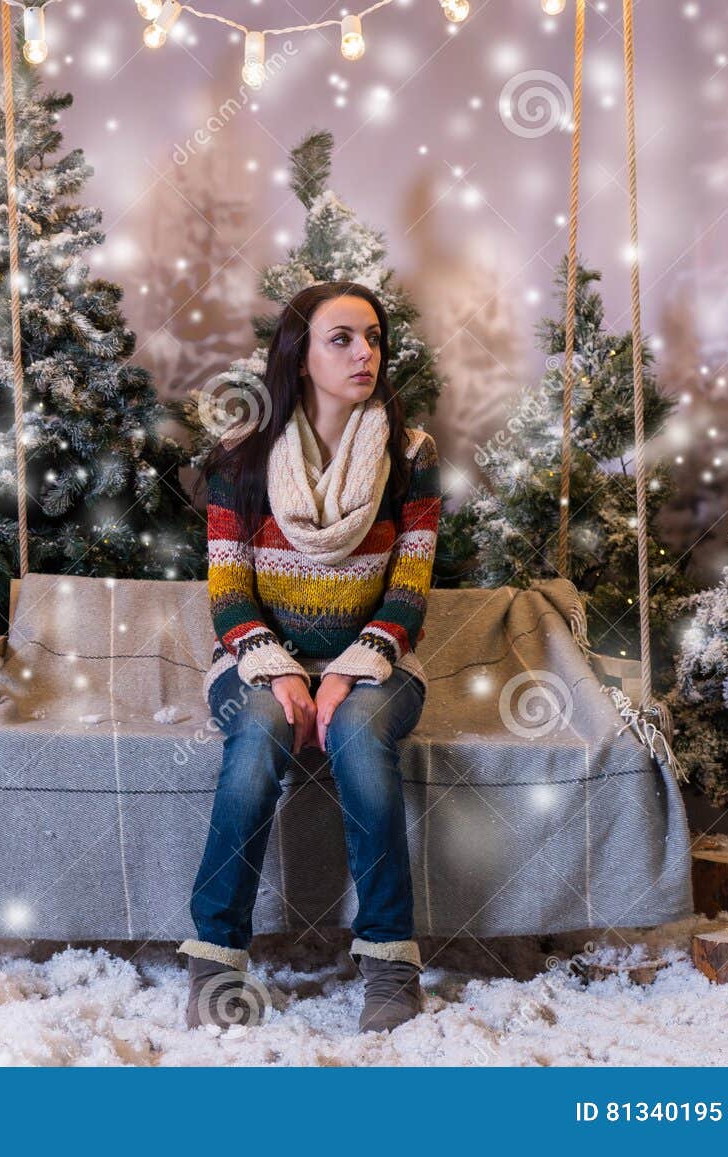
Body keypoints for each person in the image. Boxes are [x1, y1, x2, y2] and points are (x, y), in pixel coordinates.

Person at [181, 280, 440, 1034]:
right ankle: (214, 962)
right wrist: (280, 666)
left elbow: (410, 591)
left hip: (381, 665)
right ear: (299, 356)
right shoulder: (241, 460)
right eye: (343, 338)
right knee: (258, 731)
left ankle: (391, 964)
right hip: (258, 659)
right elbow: (228, 593)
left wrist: (354, 669)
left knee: (359, 731)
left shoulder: (410, 454)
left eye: (374, 338)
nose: (366, 353)